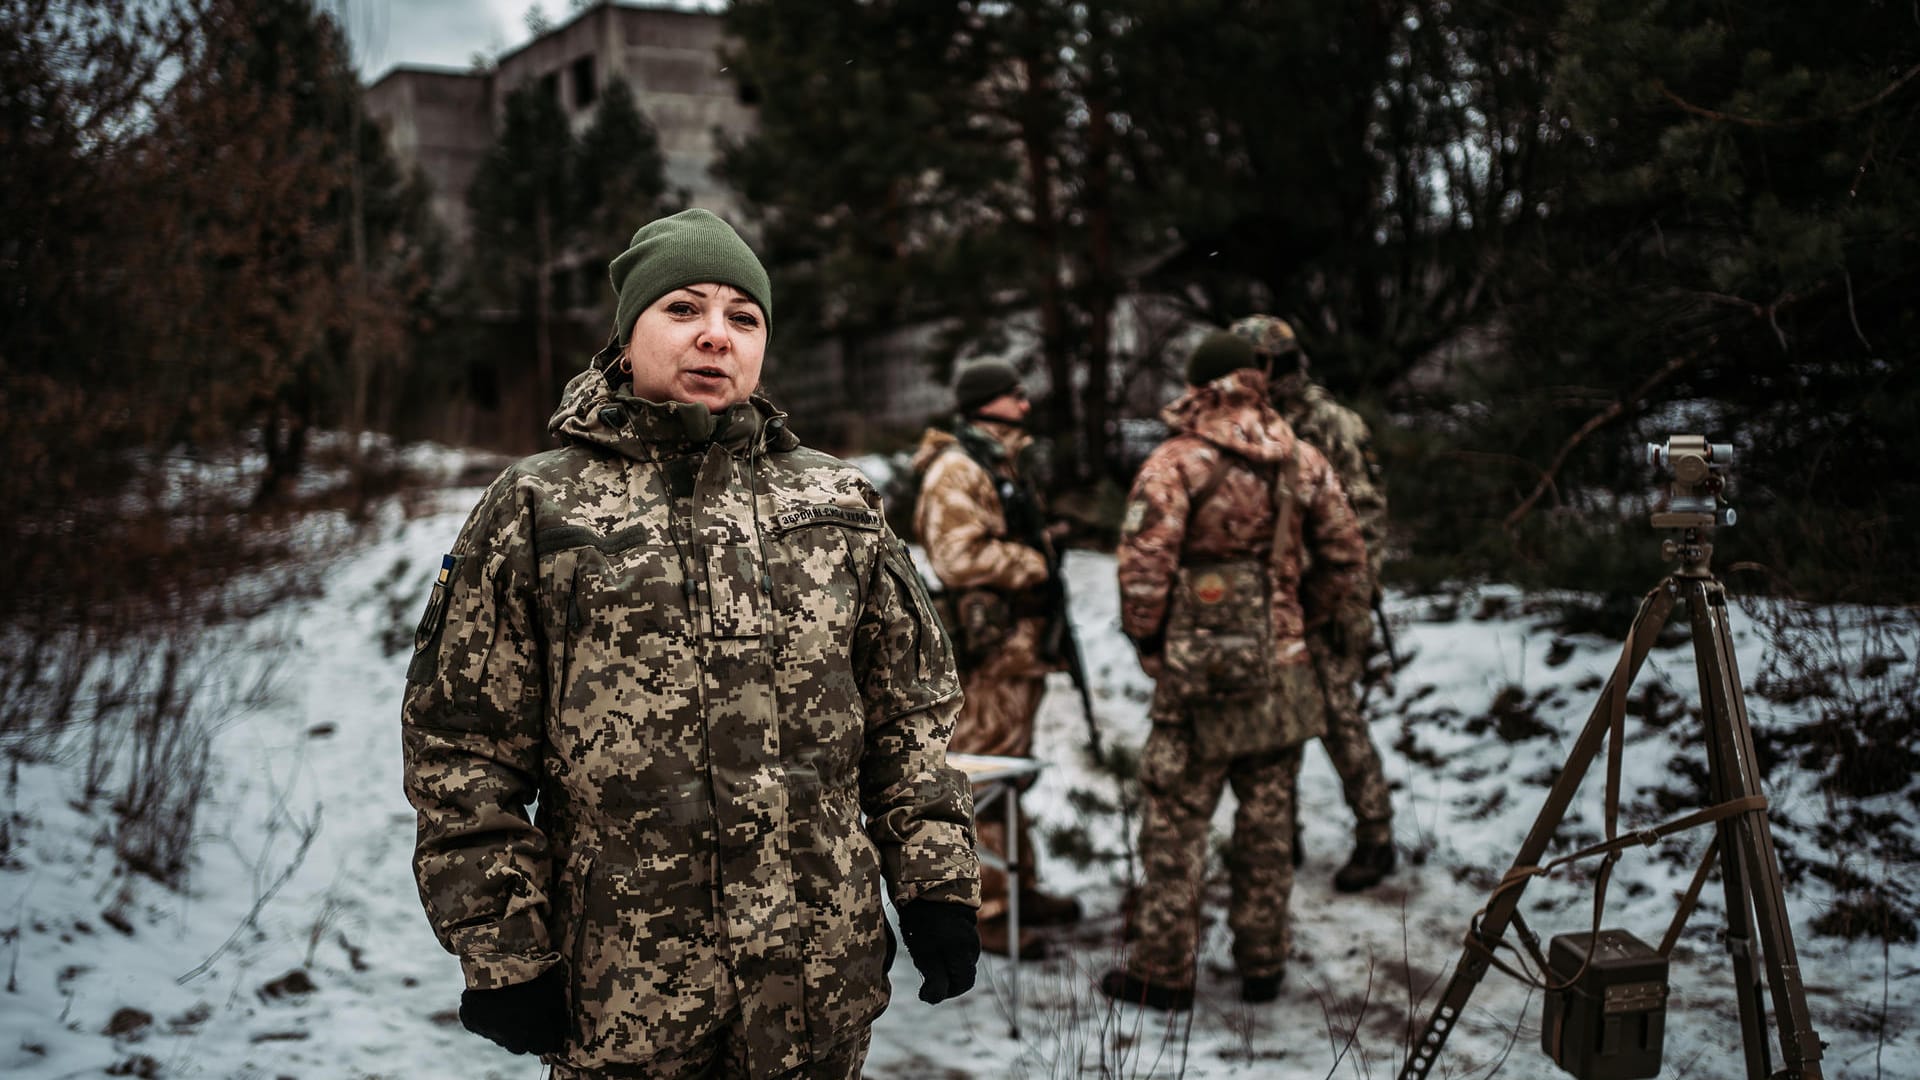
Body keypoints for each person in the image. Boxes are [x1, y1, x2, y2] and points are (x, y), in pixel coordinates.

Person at [401, 208, 982, 1080]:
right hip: (627, 996)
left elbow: (910, 720)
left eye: (742, 318)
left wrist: (935, 884)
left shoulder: (837, 503)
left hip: (819, 990)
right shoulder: (538, 508)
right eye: (683, 309)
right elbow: (463, 751)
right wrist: (505, 953)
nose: (716, 336)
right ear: (628, 336)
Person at [1101, 331, 1367, 1010]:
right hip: (1284, 674)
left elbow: (1143, 570)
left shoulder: (1176, 463)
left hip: (1200, 680)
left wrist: (1153, 645)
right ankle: (1262, 964)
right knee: (1269, 826)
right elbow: (1345, 557)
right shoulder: (1303, 460)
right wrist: (1294, 624)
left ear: (1199, 384)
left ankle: (1163, 970)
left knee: (1175, 824)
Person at [908, 359, 1085, 959]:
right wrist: (1034, 563)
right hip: (988, 650)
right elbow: (958, 557)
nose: (1026, 405)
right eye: (1015, 396)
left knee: (1010, 773)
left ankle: (1020, 883)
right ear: (989, 403)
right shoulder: (958, 468)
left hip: (1017, 647)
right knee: (981, 777)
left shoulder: (999, 462)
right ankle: (988, 906)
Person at [1231, 314, 1396, 892]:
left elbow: (1367, 518)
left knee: (1336, 718)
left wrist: (1344, 596)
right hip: (1280, 603)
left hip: (1329, 602)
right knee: (1278, 717)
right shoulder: (1260, 422)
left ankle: (1376, 835)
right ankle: (1284, 833)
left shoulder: (1329, 423)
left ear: (1270, 364)